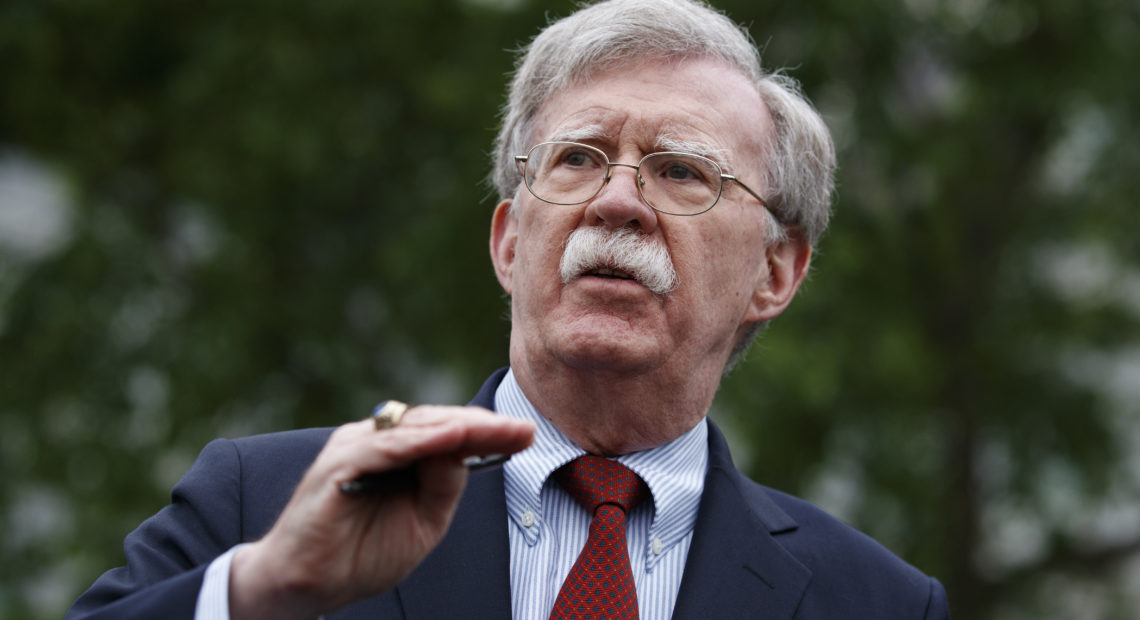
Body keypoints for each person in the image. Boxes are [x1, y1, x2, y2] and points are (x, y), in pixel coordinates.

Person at [68, 0, 951, 618]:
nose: (617, 200)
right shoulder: (263, 504)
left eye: (680, 171)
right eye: (576, 159)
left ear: (776, 271)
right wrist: (267, 588)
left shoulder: (874, 601)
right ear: (508, 243)